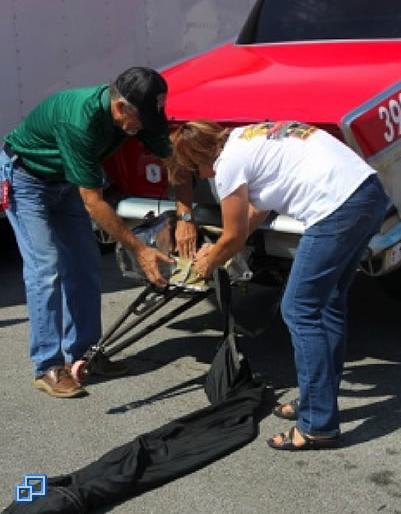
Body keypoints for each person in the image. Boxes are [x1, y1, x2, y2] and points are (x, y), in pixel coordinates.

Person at [167, 119, 387, 451]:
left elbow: (235, 234)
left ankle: (317, 426)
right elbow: (254, 211)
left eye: (196, 167)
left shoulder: (227, 165)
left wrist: (208, 262)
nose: (203, 175)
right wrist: (224, 246)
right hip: (368, 193)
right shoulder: (245, 137)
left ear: (201, 156)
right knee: (326, 305)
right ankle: (318, 402)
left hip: (336, 210)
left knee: (298, 310)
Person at [0, 67, 196, 399]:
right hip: (27, 179)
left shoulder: (135, 115)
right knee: (46, 268)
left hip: (65, 181)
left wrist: (186, 215)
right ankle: (47, 366)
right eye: (141, 120)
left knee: (84, 262)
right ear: (121, 107)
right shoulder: (80, 121)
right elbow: (93, 201)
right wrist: (140, 249)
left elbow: (175, 161)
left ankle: (86, 353)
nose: (143, 128)